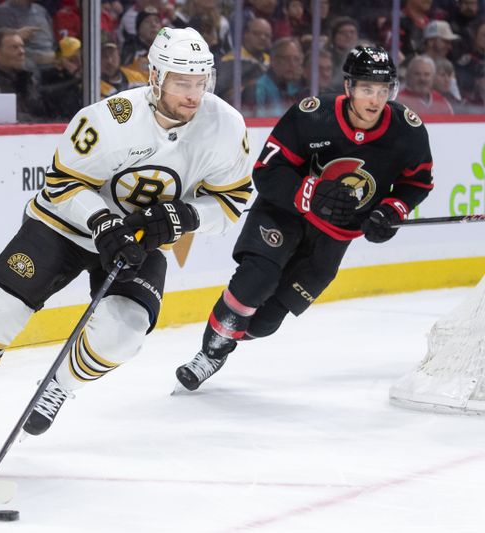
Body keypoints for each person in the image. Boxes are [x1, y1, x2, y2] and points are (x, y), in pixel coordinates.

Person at [0, 27, 252, 454]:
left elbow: (232, 202)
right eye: (181, 82)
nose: (193, 95)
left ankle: (58, 386)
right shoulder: (109, 119)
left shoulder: (226, 126)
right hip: (63, 227)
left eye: (201, 83)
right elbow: (61, 184)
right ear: (155, 76)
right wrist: (102, 222)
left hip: (137, 241)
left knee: (124, 333)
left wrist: (187, 215)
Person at [175, 45, 434, 392]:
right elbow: (267, 171)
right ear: (348, 88)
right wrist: (309, 193)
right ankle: (210, 354)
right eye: (367, 89)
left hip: (334, 237)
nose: (375, 99)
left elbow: (416, 183)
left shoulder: (407, 130)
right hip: (284, 213)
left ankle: (232, 331)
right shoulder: (313, 115)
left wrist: (391, 211)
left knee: (265, 323)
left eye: (383, 90)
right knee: (256, 280)